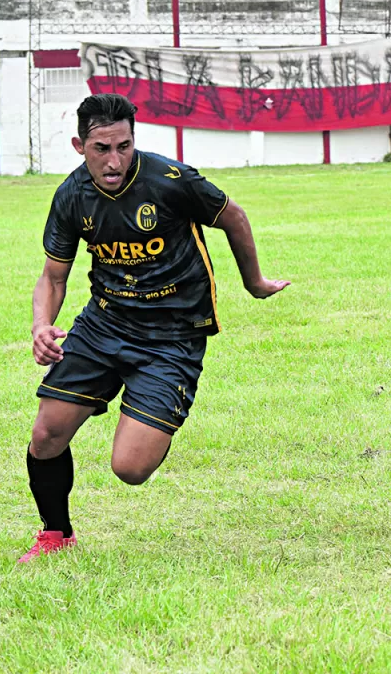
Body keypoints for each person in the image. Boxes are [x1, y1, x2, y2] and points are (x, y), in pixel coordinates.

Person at [19, 93, 289, 563]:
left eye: (124, 146)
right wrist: (43, 324)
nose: (115, 160)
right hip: (104, 324)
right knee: (46, 433)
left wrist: (255, 282)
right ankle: (55, 535)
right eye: (101, 148)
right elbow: (53, 276)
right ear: (79, 146)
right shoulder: (71, 196)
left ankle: (151, 415)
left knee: (130, 468)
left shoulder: (170, 180)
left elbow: (235, 217)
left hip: (173, 335)